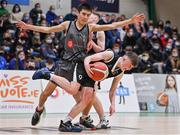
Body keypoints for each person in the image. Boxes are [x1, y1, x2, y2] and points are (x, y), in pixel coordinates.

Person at [16, 3, 145, 132]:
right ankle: (39, 108)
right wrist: (28, 26)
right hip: (64, 63)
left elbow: (111, 25)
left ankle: (83, 118)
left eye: (88, 15)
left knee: (85, 97)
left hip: (78, 65)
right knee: (46, 93)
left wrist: (130, 21)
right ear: (78, 13)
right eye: (83, 14)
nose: (85, 17)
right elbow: (48, 30)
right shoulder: (68, 25)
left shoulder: (90, 28)